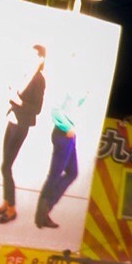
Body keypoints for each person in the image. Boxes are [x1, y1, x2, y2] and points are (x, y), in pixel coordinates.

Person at [0, 44, 46, 224]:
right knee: (4, 165)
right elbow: (14, 93)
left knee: (6, 166)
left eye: (34, 56)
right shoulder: (24, 75)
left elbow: (37, 109)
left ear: (41, 59)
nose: (29, 59)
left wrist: (18, 101)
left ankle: (12, 208)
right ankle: (6, 203)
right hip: (12, 119)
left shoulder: (39, 79)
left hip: (21, 124)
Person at [33, 83, 83, 230]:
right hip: (63, 133)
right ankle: (42, 214)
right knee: (54, 175)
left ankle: (45, 209)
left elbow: (73, 107)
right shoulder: (66, 84)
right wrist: (67, 127)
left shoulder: (77, 85)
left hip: (69, 134)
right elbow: (55, 111)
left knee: (72, 172)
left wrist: (85, 96)